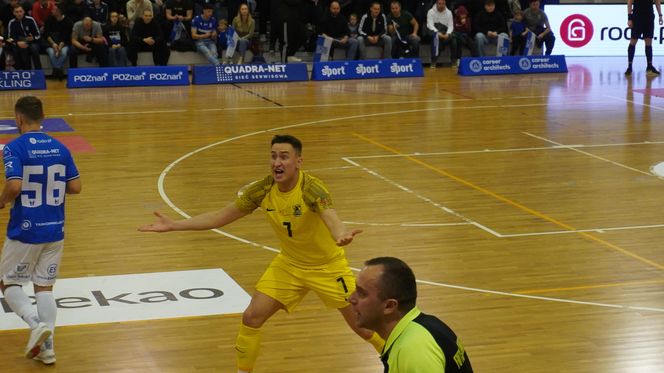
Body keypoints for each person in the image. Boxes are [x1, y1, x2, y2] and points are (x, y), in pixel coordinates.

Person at [139, 135, 385, 373]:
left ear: (298, 162)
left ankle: (400, 359)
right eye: (273, 156)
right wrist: (174, 225)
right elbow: (219, 216)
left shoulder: (312, 189)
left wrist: (340, 234)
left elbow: (330, 216)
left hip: (328, 268)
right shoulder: (263, 189)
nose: (277, 163)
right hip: (288, 265)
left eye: (284, 157)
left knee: (364, 329)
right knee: (251, 317)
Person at [0, 96, 82, 366]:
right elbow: (76, 187)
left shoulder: (14, 148)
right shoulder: (61, 147)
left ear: (18, 119)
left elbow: (14, 186)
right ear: (43, 116)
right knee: (44, 287)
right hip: (55, 229)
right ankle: (47, 350)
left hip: (25, 231)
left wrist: (0, 201)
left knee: (8, 283)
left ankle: (35, 323)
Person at [349, 257, 473, 373]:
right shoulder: (425, 326)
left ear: (389, 306)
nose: (351, 299)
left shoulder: (413, 352)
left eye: (361, 293)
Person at [625, 0, 663, 75]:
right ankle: (629, 66)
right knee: (633, 41)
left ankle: (649, 66)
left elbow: (657, 1)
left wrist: (660, 15)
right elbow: (629, 1)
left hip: (649, 17)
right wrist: (629, 18)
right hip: (637, 17)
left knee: (648, 42)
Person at [7, 5, 42, 70]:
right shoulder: (11, 22)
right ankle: (23, 71)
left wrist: (33, 38)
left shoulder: (30, 19)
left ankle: (38, 71)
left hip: (32, 42)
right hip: (19, 42)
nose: (19, 13)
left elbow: (38, 35)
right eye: (16, 12)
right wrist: (17, 42)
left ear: (23, 12)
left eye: (20, 11)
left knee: (34, 48)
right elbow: (10, 38)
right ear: (14, 13)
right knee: (18, 49)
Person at [43, 3, 73, 79]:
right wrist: (53, 45)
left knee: (63, 53)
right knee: (52, 53)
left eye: (54, 9)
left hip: (64, 43)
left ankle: (56, 70)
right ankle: (59, 71)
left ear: (59, 11)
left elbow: (66, 37)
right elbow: (46, 34)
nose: (51, 11)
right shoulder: (49, 19)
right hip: (50, 43)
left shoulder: (68, 21)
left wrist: (59, 48)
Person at [427, 0, 453, 68]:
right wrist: (438, 33)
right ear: (436, 4)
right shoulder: (431, 12)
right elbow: (430, 25)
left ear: (445, 4)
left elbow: (450, 26)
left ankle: (454, 60)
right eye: (440, 4)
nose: (441, 5)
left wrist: (448, 34)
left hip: (445, 32)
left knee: (454, 39)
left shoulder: (449, 12)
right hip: (433, 31)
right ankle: (433, 61)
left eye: (443, 4)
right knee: (435, 38)